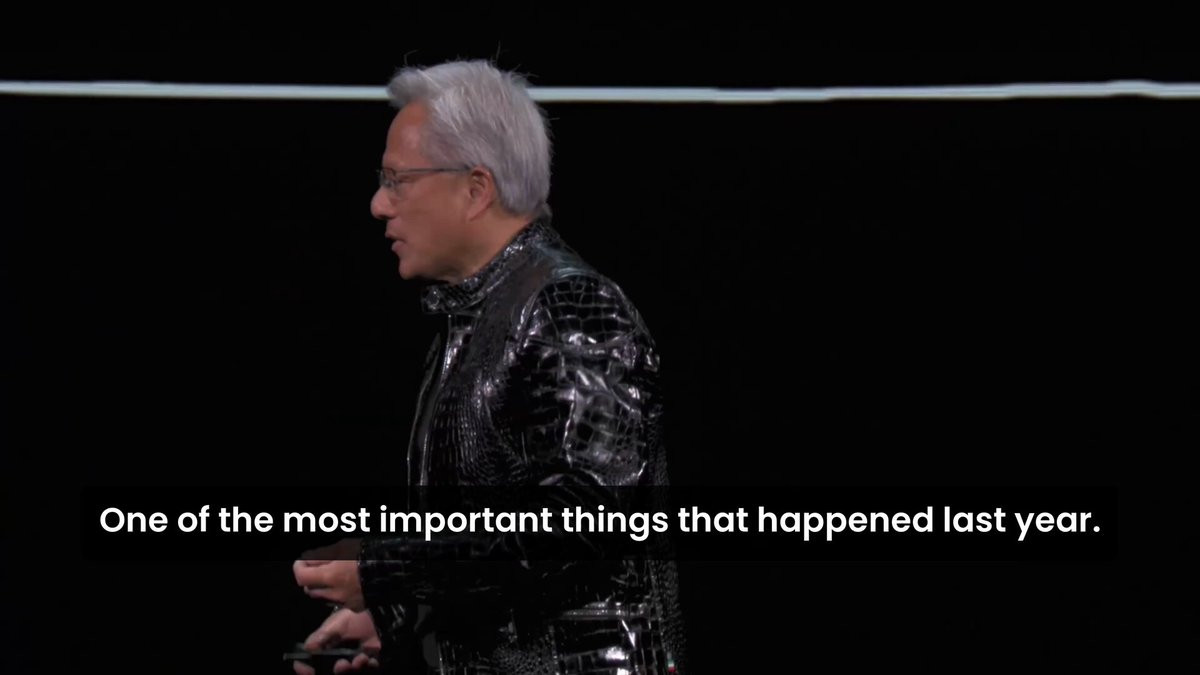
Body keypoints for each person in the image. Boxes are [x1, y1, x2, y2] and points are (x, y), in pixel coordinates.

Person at [290, 60, 686, 674]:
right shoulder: (479, 317)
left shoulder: (568, 304)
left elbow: (586, 521)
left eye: (397, 181)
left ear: (475, 189)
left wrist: (390, 569)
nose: (378, 204)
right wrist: (404, 617)